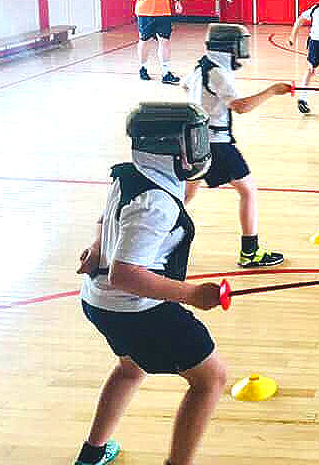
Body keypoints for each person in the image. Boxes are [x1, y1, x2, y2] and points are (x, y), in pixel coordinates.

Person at [75, 102, 228, 465]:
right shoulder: (155, 203)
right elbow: (126, 274)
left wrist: (98, 247)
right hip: (138, 311)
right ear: (166, 147)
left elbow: (105, 217)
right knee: (210, 380)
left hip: (99, 303)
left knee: (131, 368)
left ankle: (91, 454)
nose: (201, 147)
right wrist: (192, 294)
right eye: (194, 141)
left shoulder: (131, 174)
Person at [181, 24, 288, 267]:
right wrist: (272, 90)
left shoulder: (202, 64)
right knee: (248, 190)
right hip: (217, 144)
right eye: (240, 44)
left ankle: (156, 235)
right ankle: (250, 253)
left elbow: (185, 86)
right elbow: (240, 106)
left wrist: (203, 107)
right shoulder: (218, 71)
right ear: (229, 46)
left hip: (197, 140)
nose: (243, 49)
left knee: (185, 194)